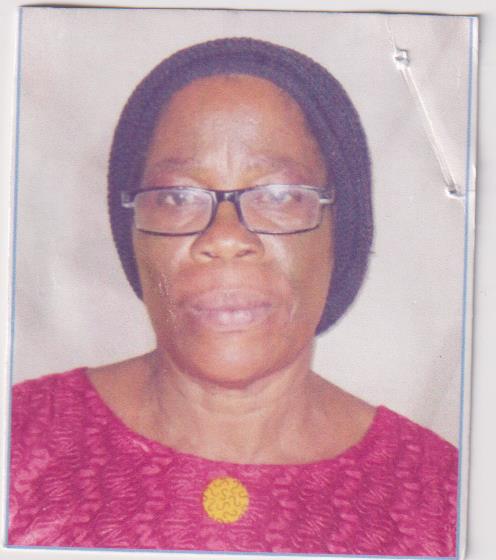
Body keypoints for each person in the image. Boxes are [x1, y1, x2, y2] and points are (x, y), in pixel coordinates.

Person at [8, 38, 458, 555]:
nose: (224, 238)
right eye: (177, 196)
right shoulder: (21, 441)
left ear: (344, 232)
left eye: (279, 196)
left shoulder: (441, 497)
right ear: (131, 233)